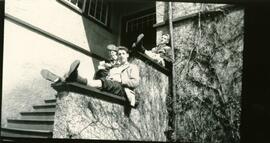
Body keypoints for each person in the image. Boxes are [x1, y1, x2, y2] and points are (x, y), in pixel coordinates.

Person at [65, 46, 140, 107]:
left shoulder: (132, 67)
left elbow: (135, 82)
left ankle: (77, 78)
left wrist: (121, 80)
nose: (121, 56)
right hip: (112, 84)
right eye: (119, 54)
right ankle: (73, 78)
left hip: (123, 89)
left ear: (127, 55)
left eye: (123, 54)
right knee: (102, 77)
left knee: (104, 82)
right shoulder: (116, 67)